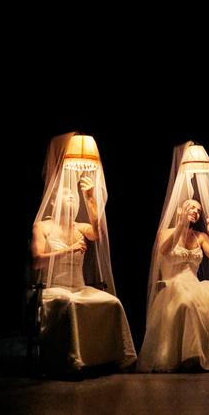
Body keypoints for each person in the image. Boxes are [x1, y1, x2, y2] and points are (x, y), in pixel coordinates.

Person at [138, 142, 209, 372]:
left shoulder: (199, 236)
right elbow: (165, 251)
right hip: (173, 285)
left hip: (195, 284)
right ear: (181, 210)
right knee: (188, 303)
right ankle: (188, 356)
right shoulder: (167, 232)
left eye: (199, 210)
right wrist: (180, 225)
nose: (196, 212)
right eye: (192, 208)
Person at [31, 132, 136, 374]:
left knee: (112, 302)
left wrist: (90, 199)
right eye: (67, 196)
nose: (72, 199)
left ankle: (112, 357)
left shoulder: (80, 227)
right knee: (68, 303)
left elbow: (98, 232)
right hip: (53, 290)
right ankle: (73, 360)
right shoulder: (43, 227)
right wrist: (66, 250)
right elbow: (36, 262)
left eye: (73, 196)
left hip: (79, 287)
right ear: (54, 203)